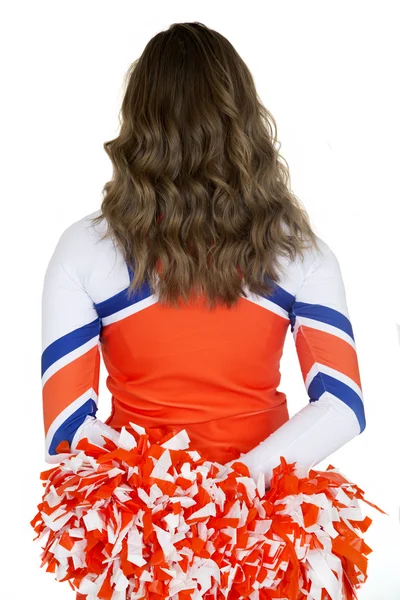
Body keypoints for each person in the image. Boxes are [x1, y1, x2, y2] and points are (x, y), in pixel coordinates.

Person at [40, 22, 366, 600]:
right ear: (244, 120)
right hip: (266, 532)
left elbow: (67, 430)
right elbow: (342, 404)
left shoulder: (85, 248)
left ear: (138, 122)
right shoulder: (300, 250)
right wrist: (238, 486)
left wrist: (177, 507)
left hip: (145, 547)